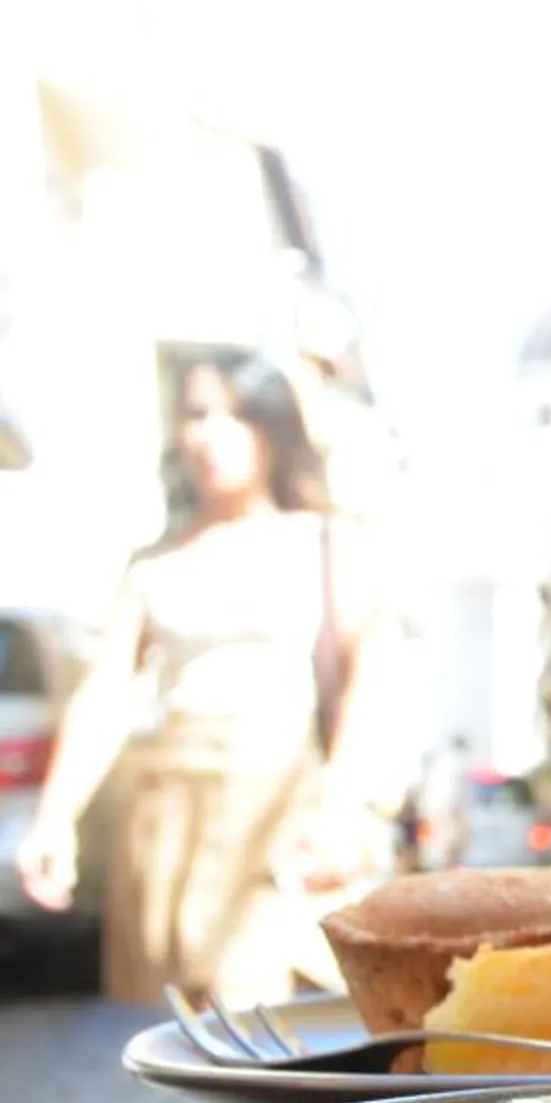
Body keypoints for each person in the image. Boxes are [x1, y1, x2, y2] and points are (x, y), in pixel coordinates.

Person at [10, 354, 400, 1006]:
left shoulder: (326, 545)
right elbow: (104, 697)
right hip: (166, 815)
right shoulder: (155, 566)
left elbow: (369, 676)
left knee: (253, 1008)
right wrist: (54, 819)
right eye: (194, 415)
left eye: (232, 414)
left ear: (272, 426)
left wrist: (339, 797)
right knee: (172, 1024)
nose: (207, 434)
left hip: (276, 809)